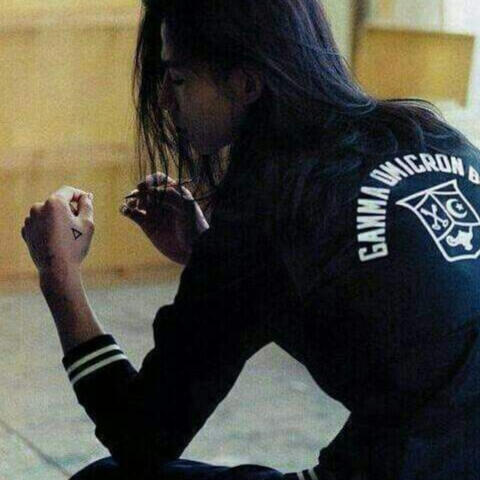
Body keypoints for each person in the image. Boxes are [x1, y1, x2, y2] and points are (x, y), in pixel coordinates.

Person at [20, 0, 480, 479]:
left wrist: (59, 275)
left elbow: (142, 434)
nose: (165, 101)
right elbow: (392, 319)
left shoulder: (272, 203)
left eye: (179, 79)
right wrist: (207, 254)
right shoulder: (429, 135)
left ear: (246, 83)